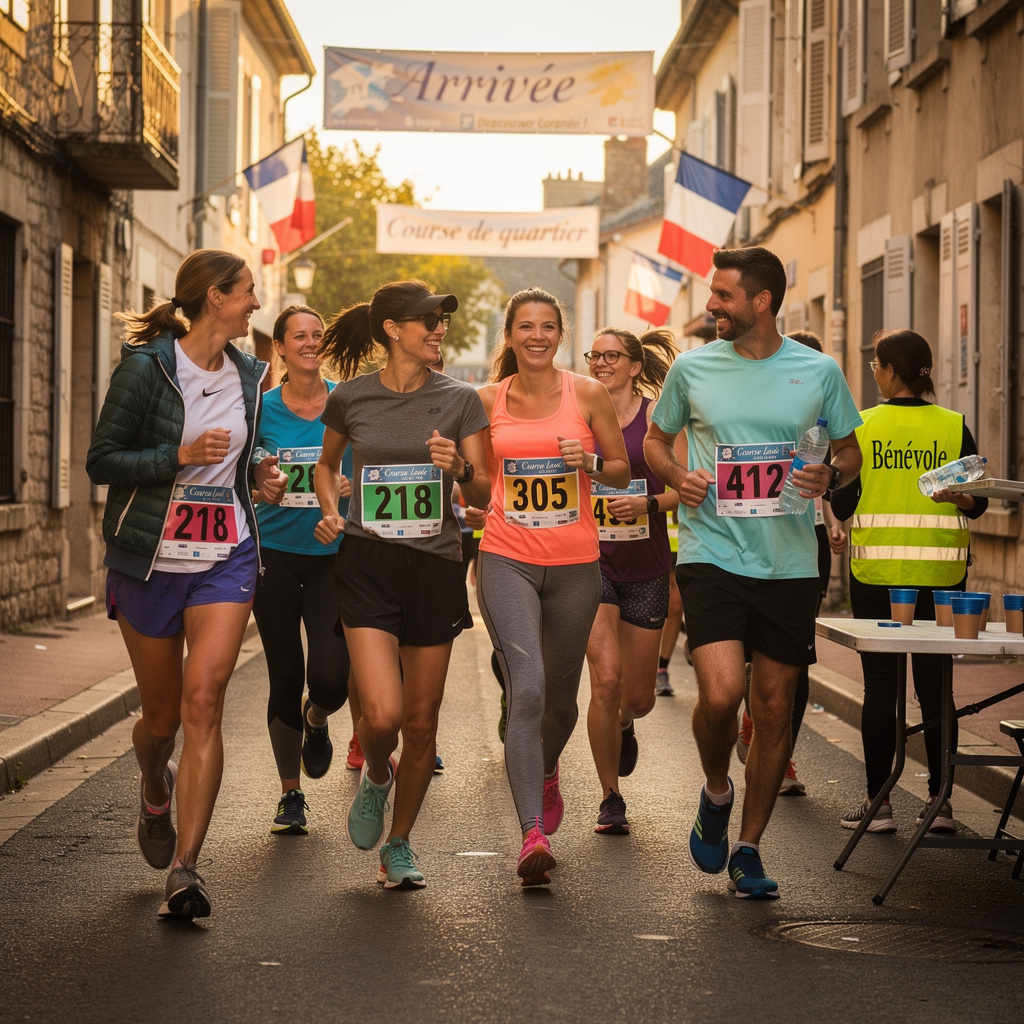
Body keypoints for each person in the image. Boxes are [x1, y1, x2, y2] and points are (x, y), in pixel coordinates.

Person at [644, 246, 862, 899]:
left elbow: (849, 450)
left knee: (773, 708)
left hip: (791, 562)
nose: (711, 305)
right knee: (718, 697)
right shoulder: (692, 368)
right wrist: (678, 475)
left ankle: (748, 847)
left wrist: (831, 473)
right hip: (712, 553)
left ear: (762, 301)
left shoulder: (818, 371)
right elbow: (657, 440)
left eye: (723, 296)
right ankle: (717, 790)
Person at [86, 248, 275, 920]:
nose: (257, 302)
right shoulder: (146, 369)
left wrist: (261, 476)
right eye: (249, 291)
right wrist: (178, 456)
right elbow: (101, 460)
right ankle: (152, 783)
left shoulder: (252, 374)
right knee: (161, 719)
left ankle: (187, 868)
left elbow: (245, 457)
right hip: (148, 559)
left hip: (225, 555)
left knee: (205, 702)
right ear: (216, 296)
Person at [314, 280, 491, 890]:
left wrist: (460, 468)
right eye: (427, 321)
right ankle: (377, 777)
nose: (439, 329)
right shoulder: (353, 399)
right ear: (392, 329)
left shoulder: (462, 399)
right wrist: (328, 506)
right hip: (366, 562)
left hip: (435, 566)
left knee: (420, 723)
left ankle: (399, 843)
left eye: (442, 320)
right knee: (383, 716)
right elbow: (326, 462)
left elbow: (485, 491)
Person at [470, 287, 629, 887]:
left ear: (560, 336)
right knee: (527, 685)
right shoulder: (485, 401)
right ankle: (531, 831)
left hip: (575, 567)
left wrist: (587, 465)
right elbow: (477, 487)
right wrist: (460, 473)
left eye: (547, 327)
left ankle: (547, 766)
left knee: (561, 701)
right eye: (525, 327)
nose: (536, 336)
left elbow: (620, 470)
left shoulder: (585, 394)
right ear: (509, 336)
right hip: (506, 556)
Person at [830, 328, 987, 834]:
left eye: (876, 364)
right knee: (937, 689)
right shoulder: (954, 425)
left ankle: (880, 804)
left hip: (878, 577)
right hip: (943, 577)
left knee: (880, 688)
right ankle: (940, 803)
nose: (873, 372)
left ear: (892, 371)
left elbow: (843, 502)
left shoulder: (865, 426)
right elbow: (978, 502)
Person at [250, 305, 354, 836]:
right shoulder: (259, 410)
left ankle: (319, 720)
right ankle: (290, 794)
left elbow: (372, 476)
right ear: (281, 350)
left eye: (318, 334)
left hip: (333, 559)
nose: (310, 342)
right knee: (285, 674)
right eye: (300, 336)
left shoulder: (348, 404)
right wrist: (256, 484)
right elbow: (237, 477)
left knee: (332, 679)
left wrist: (348, 496)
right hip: (274, 556)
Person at [735, 328, 848, 796]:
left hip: (806, 540)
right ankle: (750, 714)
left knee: (793, 657)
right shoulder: (757, 404)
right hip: (750, 536)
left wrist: (833, 518)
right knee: (747, 652)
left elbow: (818, 475)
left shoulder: (820, 416)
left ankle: (781, 755)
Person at [582, 326, 678, 834]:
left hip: (646, 564)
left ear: (635, 365)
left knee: (636, 697)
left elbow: (686, 487)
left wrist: (649, 502)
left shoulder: (658, 420)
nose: (600, 363)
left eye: (611, 356)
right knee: (606, 679)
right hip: (589, 562)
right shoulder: (579, 413)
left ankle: (625, 723)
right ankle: (609, 797)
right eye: (593, 355)